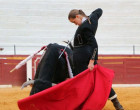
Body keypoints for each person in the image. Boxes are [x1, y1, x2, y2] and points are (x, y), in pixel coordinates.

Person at [68, 8, 124, 110]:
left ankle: (82, 105)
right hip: (85, 54)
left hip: (82, 59)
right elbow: (99, 10)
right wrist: (88, 17)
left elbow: (94, 44)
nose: (75, 24)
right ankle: (117, 104)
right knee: (99, 80)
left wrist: (91, 61)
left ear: (77, 16)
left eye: (74, 22)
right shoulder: (92, 19)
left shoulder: (85, 28)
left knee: (82, 82)